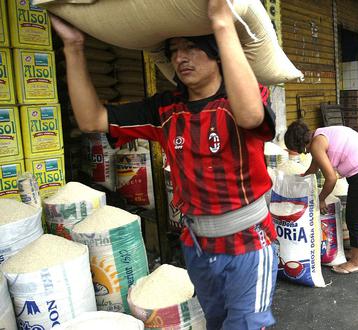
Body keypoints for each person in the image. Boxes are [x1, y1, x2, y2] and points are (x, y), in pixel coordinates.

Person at [51, 1, 279, 328]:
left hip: (250, 243)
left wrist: (221, 20)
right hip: (197, 245)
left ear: (217, 52)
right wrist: (73, 47)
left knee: (245, 325)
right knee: (214, 321)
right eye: (173, 50)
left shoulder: (243, 97)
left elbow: (251, 116)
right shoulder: (166, 110)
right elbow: (91, 119)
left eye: (191, 48)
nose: (179, 58)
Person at [284, 121, 358, 274]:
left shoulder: (316, 145)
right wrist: (300, 179)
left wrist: (321, 198)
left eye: (302, 150)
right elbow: (313, 168)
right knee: (355, 214)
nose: (306, 153)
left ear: (302, 143)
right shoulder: (319, 135)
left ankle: (357, 261)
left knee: (353, 218)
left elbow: (331, 178)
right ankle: (356, 252)